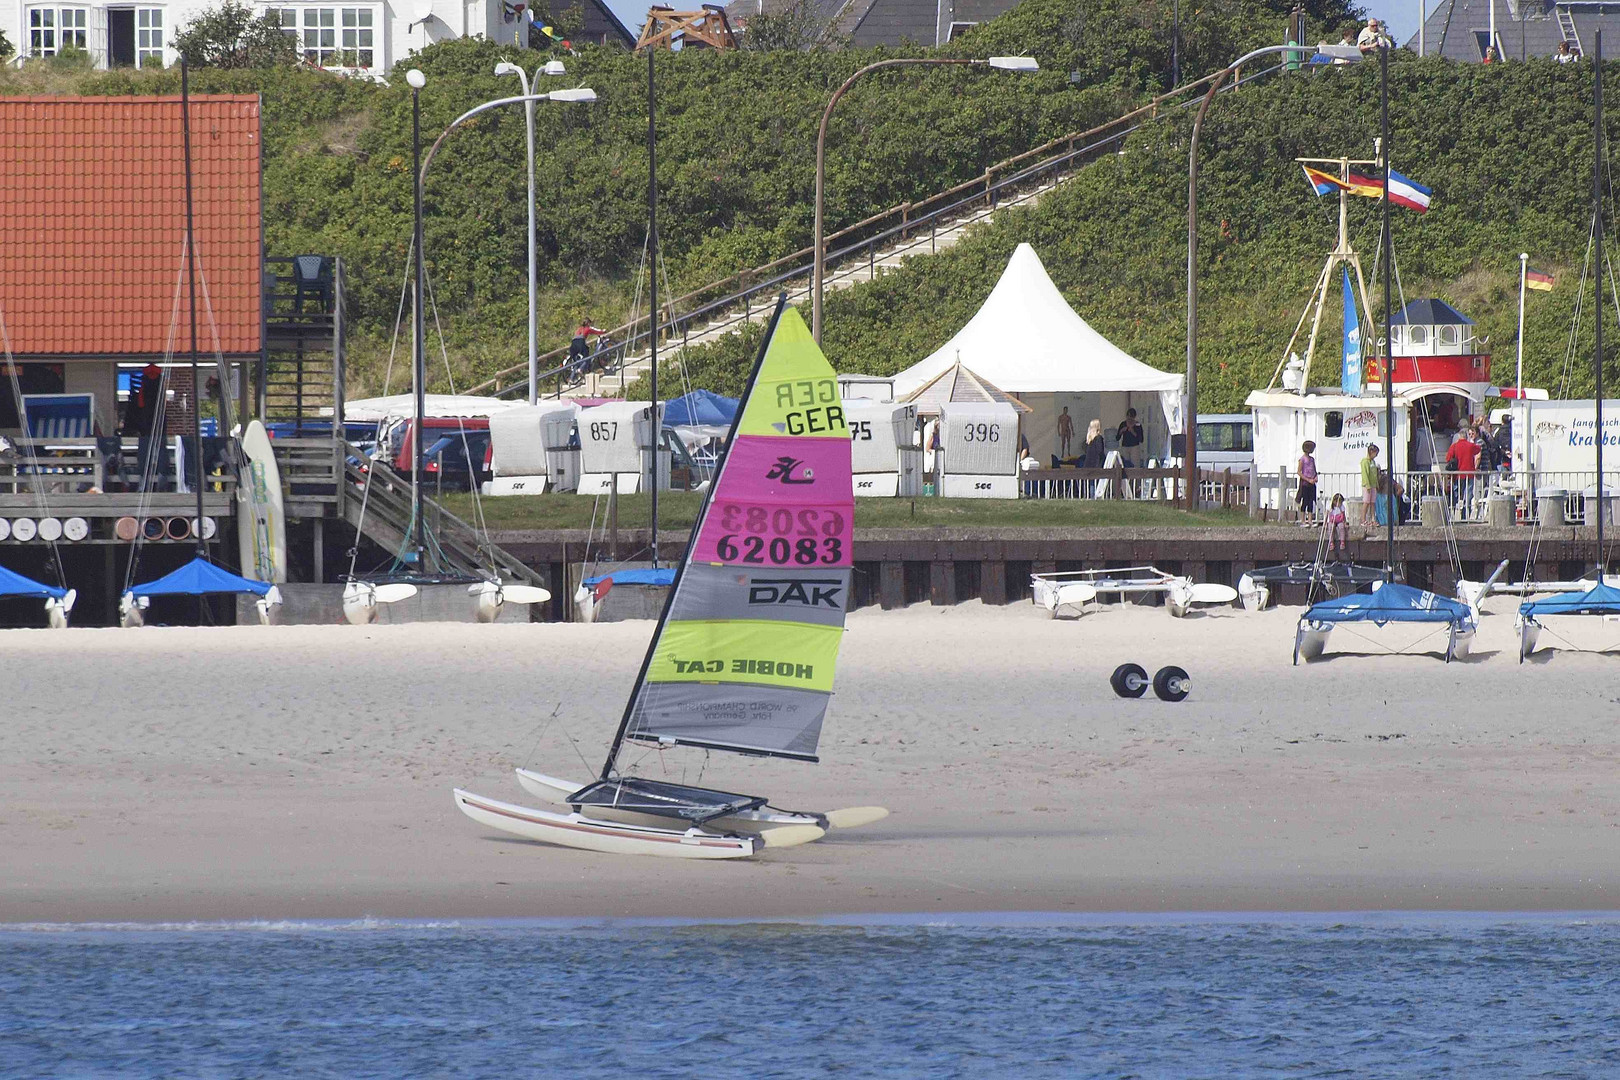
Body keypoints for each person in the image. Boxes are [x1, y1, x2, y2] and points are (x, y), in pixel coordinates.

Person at [1446, 427, 1482, 516]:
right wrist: (1472, 441)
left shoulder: (1454, 446)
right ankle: (1466, 513)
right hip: (1469, 473)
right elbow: (1478, 449)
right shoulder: (1470, 445)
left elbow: (1447, 458)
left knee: (1457, 494)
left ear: (1459, 437)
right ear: (1466, 437)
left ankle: (1454, 512)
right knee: (1468, 494)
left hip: (1458, 475)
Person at [1296, 440, 1318, 526]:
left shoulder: (1312, 459)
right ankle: (1303, 520)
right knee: (1304, 501)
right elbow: (1299, 472)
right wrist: (1308, 479)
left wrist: (1315, 477)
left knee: (1310, 501)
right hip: (1305, 483)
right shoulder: (1302, 459)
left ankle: (1310, 520)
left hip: (1312, 483)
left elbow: (1315, 470)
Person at [1359, 443, 1380, 528]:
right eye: (1375, 453)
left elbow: (1374, 474)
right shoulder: (1365, 461)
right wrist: (1367, 485)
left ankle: (1373, 519)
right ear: (1371, 452)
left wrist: (1376, 484)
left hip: (1373, 485)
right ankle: (1363, 519)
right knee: (1366, 502)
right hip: (1367, 485)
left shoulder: (1373, 462)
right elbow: (1365, 474)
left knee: (1372, 503)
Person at [1325, 493, 1349, 559]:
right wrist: (1325, 523)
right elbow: (1327, 515)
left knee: (1341, 527)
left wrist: (1345, 523)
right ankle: (1331, 542)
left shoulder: (1342, 507)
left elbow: (1343, 516)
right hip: (1332, 520)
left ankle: (1342, 542)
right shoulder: (1330, 506)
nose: (1340, 504)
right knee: (1330, 527)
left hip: (1339, 521)